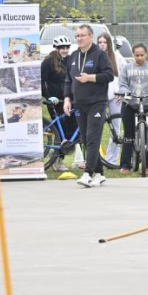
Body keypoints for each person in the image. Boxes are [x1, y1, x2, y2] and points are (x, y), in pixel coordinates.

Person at [63, 25, 115, 188]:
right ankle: (99, 173)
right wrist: (67, 99)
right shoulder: (73, 56)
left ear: (90, 36)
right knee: (86, 139)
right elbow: (68, 80)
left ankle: (88, 173)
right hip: (79, 103)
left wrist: (91, 78)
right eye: (77, 36)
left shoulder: (100, 55)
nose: (79, 38)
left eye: (82, 35)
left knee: (93, 138)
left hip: (96, 103)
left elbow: (109, 75)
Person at [118, 44, 148, 175]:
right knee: (128, 135)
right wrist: (125, 92)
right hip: (130, 105)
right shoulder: (127, 68)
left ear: (146, 54)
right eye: (137, 55)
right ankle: (125, 165)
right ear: (133, 55)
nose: (139, 58)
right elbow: (122, 83)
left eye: (142, 55)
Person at [40, 35, 75, 171]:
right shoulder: (48, 62)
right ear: (56, 48)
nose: (65, 50)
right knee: (60, 131)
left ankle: (59, 156)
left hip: (67, 99)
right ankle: (57, 160)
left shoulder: (70, 61)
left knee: (71, 128)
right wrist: (48, 97)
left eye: (67, 48)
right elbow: (42, 81)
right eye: (62, 48)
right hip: (55, 102)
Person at [97, 32, 126, 166]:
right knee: (97, 126)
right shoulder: (94, 57)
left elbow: (125, 76)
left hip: (115, 96)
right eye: (100, 42)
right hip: (100, 96)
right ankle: (94, 158)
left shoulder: (117, 57)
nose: (102, 45)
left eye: (105, 42)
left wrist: (123, 92)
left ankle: (111, 159)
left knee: (116, 127)